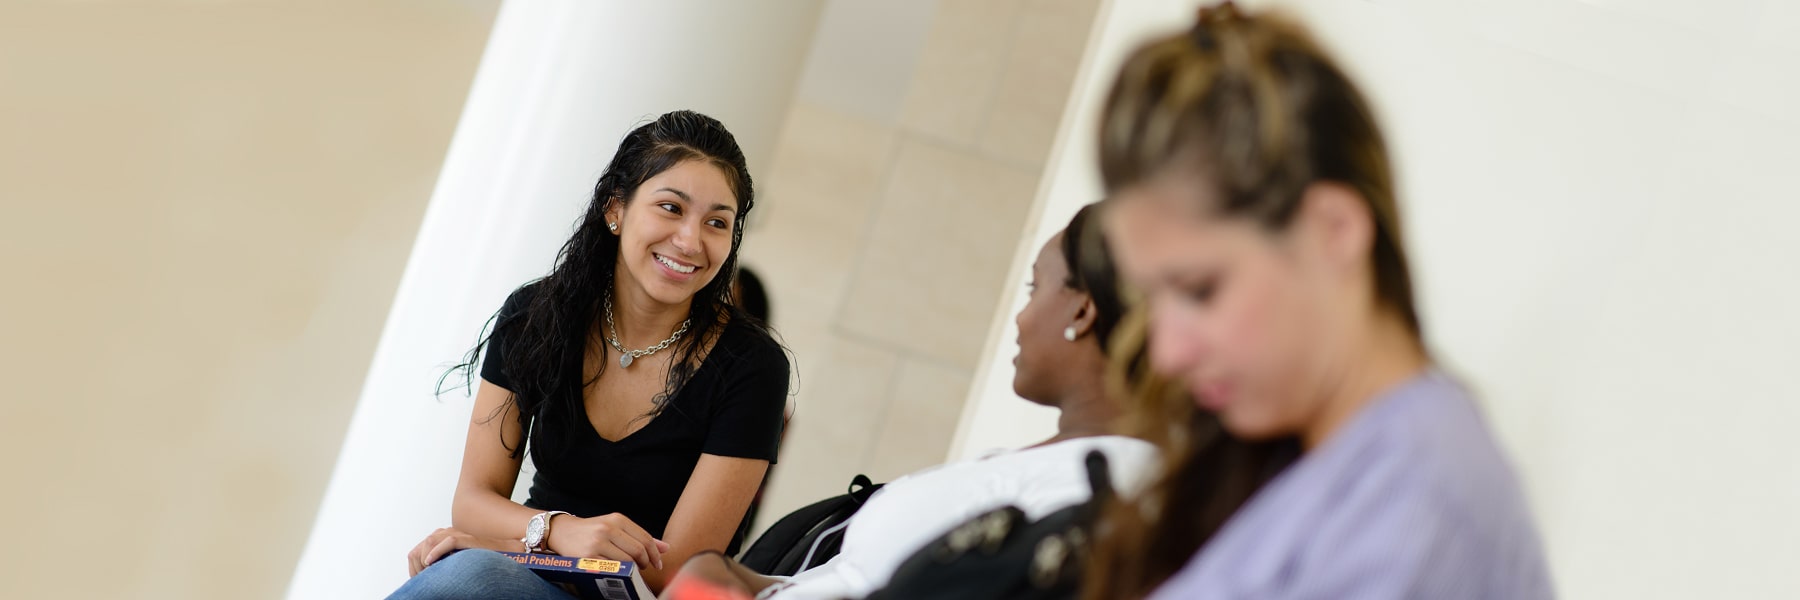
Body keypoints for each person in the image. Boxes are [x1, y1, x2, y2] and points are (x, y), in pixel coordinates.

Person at [1082, 4, 1554, 599]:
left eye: (1200, 290)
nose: (1167, 353)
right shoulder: (1304, 471)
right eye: (1151, 299)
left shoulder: (1415, 504)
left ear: (1334, 231)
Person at [662, 205, 1158, 600]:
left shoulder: (1103, 488)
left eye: (1034, 288)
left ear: (1082, 310)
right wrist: (735, 578)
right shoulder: (1064, 468)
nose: (1022, 317)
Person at [390, 110, 791, 598]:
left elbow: (675, 572)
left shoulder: (752, 368)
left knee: (471, 574)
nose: (690, 241)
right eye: (671, 208)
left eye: (716, 222)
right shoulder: (536, 315)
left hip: (629, 595)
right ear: (615, 208)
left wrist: (499, 548)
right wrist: (559, 531)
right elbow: (473, 501)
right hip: (521, 575)